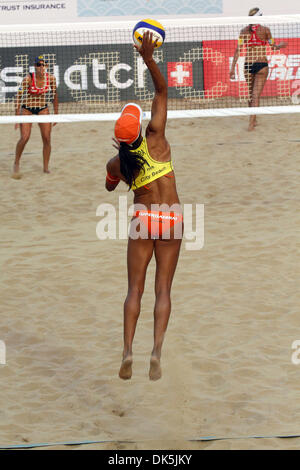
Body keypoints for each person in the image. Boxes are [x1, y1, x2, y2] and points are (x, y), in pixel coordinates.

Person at [105, 32, 183, 381]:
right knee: (162, 290)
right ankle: (156, 352)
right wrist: (148, 59)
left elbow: (110, 185)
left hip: (143, 218)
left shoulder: (117, 162)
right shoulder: (157, 137)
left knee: (133, 289)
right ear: (139, 127)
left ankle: (126, 351)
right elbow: (162, 91)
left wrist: (121, 164)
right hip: (172, 219)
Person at [230, 7, 287, 131]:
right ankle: (253, 120)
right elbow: (273, 47)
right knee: (253, 96)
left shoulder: (244, 31)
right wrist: (280, 46)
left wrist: (232, 68)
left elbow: (238, 50)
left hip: (248, 65)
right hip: (260, 65)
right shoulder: (266, 30)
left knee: (253, 95)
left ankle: (252, 121)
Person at [13, 55, 58, 176]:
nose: (41, 67)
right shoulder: (27, 79)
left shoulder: (51, 79)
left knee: (47, 138)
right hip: (27, 109)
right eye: (39, 65)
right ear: (35, 66)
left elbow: (55, 96)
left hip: (42, 108)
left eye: (43, 64)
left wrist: (56, 114)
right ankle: (16, 162)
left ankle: (45, 167)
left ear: (46, 66)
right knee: (25, 137)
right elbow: (18, 97)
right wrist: (16, 118)